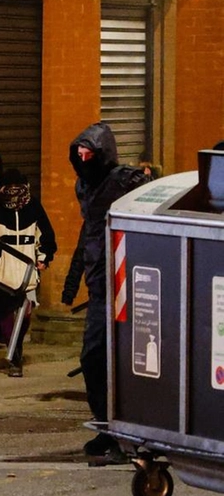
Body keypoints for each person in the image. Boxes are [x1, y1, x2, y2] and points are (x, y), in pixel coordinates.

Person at [61, 122, 150, 458]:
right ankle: (105, 425)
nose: (82, 158)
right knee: (93, 356)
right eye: (78, 153)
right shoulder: (84, 187)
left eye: (88, 153)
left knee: (127, 361)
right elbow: (89, 233)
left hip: (129, 285)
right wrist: (74, 279)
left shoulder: (126, 181)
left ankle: (130, 430)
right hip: (101, 288)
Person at [0, 169, 57, 377]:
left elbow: (45, 234)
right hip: (3, 266)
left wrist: (44, 257)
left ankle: (17, 343)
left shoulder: (34, 206)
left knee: (25, 313)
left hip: (26, 268)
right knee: (6, 313)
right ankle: (14, 356)